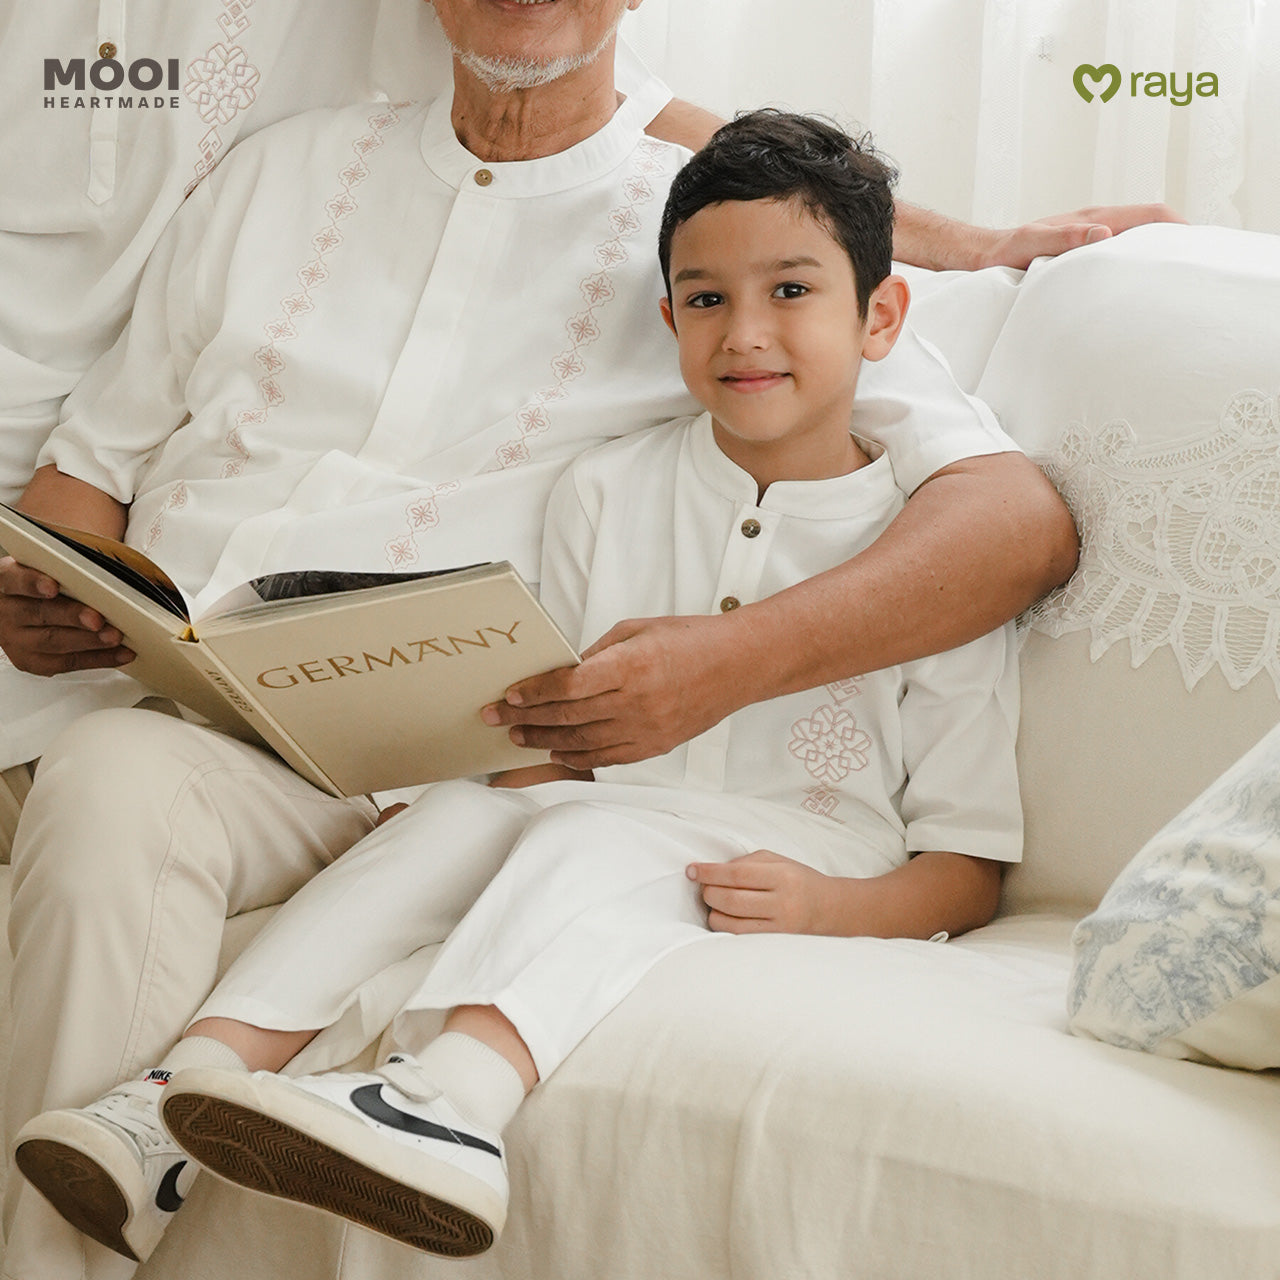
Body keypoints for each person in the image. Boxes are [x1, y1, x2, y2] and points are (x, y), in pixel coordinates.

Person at [0, 4, 1061, 1277]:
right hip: (207, 722)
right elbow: (88, 465)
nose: (743, 324)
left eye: (776, 297)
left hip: (467, 751)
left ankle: (435, 1099)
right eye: (710, 305)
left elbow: (1011, 525)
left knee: (553, 826)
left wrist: (722, 668)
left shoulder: (717, 237)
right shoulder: (277, 174)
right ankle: (155, 1118)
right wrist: (49, 587)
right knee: (109, 777)